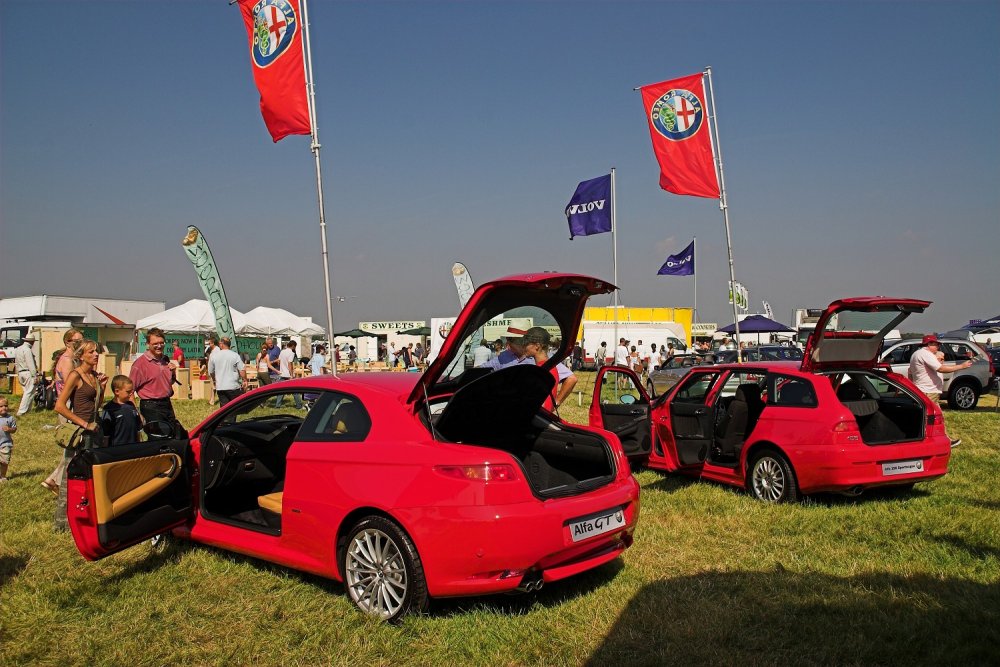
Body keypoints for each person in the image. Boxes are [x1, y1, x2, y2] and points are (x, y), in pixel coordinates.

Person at [49, 340, 108, 518]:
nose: (96, 354)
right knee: (71, 475)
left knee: (91, 474)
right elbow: (59, 406)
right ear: (81, 356)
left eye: (96, 351)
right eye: (91, 352)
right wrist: (84, 424)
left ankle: (86, 512)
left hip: (94, 430)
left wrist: (102, 388)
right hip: (79, 432)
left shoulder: (95, 376)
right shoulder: (76, 375)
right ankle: (63, 519)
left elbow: (96, 404)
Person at [908, 334, 972, 447]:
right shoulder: (925, 354)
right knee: (931, 418)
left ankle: (944, 440)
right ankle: (927, 441)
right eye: (936, 344)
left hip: (925, 389)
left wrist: (913, 384)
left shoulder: (916, 354)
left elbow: (910, 372)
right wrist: (961, 366)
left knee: (936, 416)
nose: (938, 347)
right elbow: (941, 369)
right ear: (929, 344)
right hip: (928, 390)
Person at [129, 328, 180, 428]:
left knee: (173, 437)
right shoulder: (139, 364)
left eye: (161, 343)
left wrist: (173, 372)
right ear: (148, 344)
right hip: (150, 407)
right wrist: (137, 413)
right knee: (157, 440)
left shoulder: (165, 359)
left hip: (166, 404)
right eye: (155, 343)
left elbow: (169, 382)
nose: (159, 346)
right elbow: (129, 391)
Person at [521, 327, 578, 410]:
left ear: (537, 346)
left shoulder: (542, 371)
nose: (523, 346)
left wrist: (555, 404)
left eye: (526, 343)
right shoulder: (549, 367)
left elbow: (543, 403)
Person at [99, 376, 142, 446]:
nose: (131, 393)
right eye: (128, 391)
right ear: (117, 391)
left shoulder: (131, 406)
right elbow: (106, 435)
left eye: (132, 391)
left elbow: (138, 430)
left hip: (133, 447)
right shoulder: (109, 409)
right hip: (117, 449)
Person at [208, 337, 247, 407]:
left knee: (224, 409)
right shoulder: (235, 355)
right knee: (233, 409)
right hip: (233, 386)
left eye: (220, 343)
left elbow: (211, 371)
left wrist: (214, 380)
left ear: (222, 344)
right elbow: (242, 370)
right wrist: (245, 380)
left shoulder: (214, 356)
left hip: (220, 387)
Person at [274, 341, 303, 409]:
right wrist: (291, 374)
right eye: (295, 346)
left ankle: (277, 405)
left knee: (281, 391)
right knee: (295, 391)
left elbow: (279, 360)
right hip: (288, 374)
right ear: (293, 346)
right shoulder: (291, 353)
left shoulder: (282, 351)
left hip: (282, 373)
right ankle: (299, 405)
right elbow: (290, 364)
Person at [14, 335, 37, 416]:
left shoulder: (18, 349)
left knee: (28, 392)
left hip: (20, 372)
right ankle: (21, 411)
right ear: (32, 341)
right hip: (28, 373)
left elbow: (16, 363)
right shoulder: (27, 350)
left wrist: (18, 373)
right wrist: (34, 376)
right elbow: (30, 364)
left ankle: (27, 410)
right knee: (29, 392)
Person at [0, 398, 17, 483]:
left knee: (4, 461)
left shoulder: (10, 418)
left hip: (6, 443)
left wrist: (9, 429)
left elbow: (14, 429)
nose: (4, 408)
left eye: (6, 406)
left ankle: (3, 476)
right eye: (1, 406)